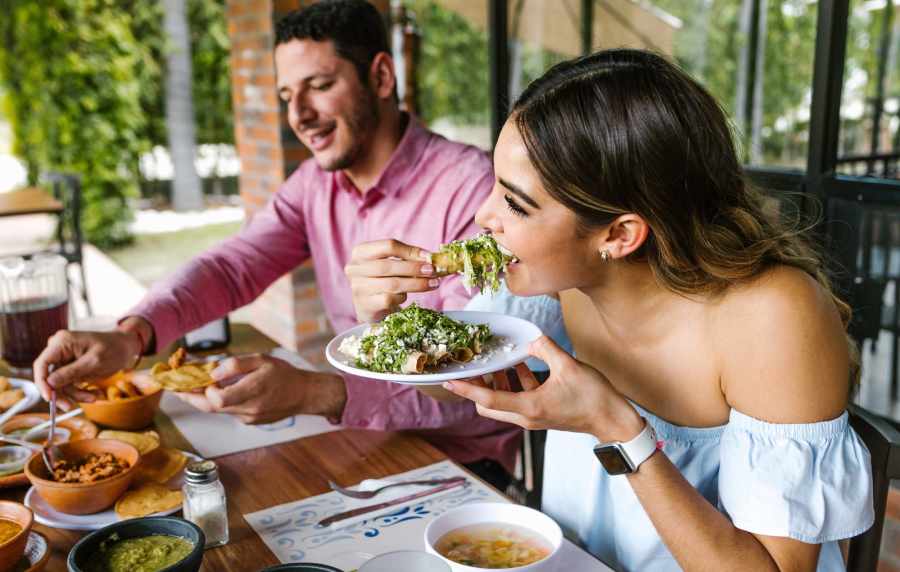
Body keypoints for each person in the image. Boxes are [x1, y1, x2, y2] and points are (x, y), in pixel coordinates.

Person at [353, 49, 874, 571]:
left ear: (619, 234)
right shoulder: (559, 279)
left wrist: (618, 430)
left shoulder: (774, 317)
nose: (482, 215)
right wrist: (384, 325)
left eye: (515, 204)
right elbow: (457, 383)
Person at [32, 0, 519, 487]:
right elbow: (233, 266)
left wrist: (317, 394)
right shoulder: (313, 185)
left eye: (320, 86)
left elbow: (477, 391)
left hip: (462, 465)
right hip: (357, 439)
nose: (299, 116)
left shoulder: (472, 190)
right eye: (287, 95)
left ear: (382, 77)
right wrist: (133, 334)